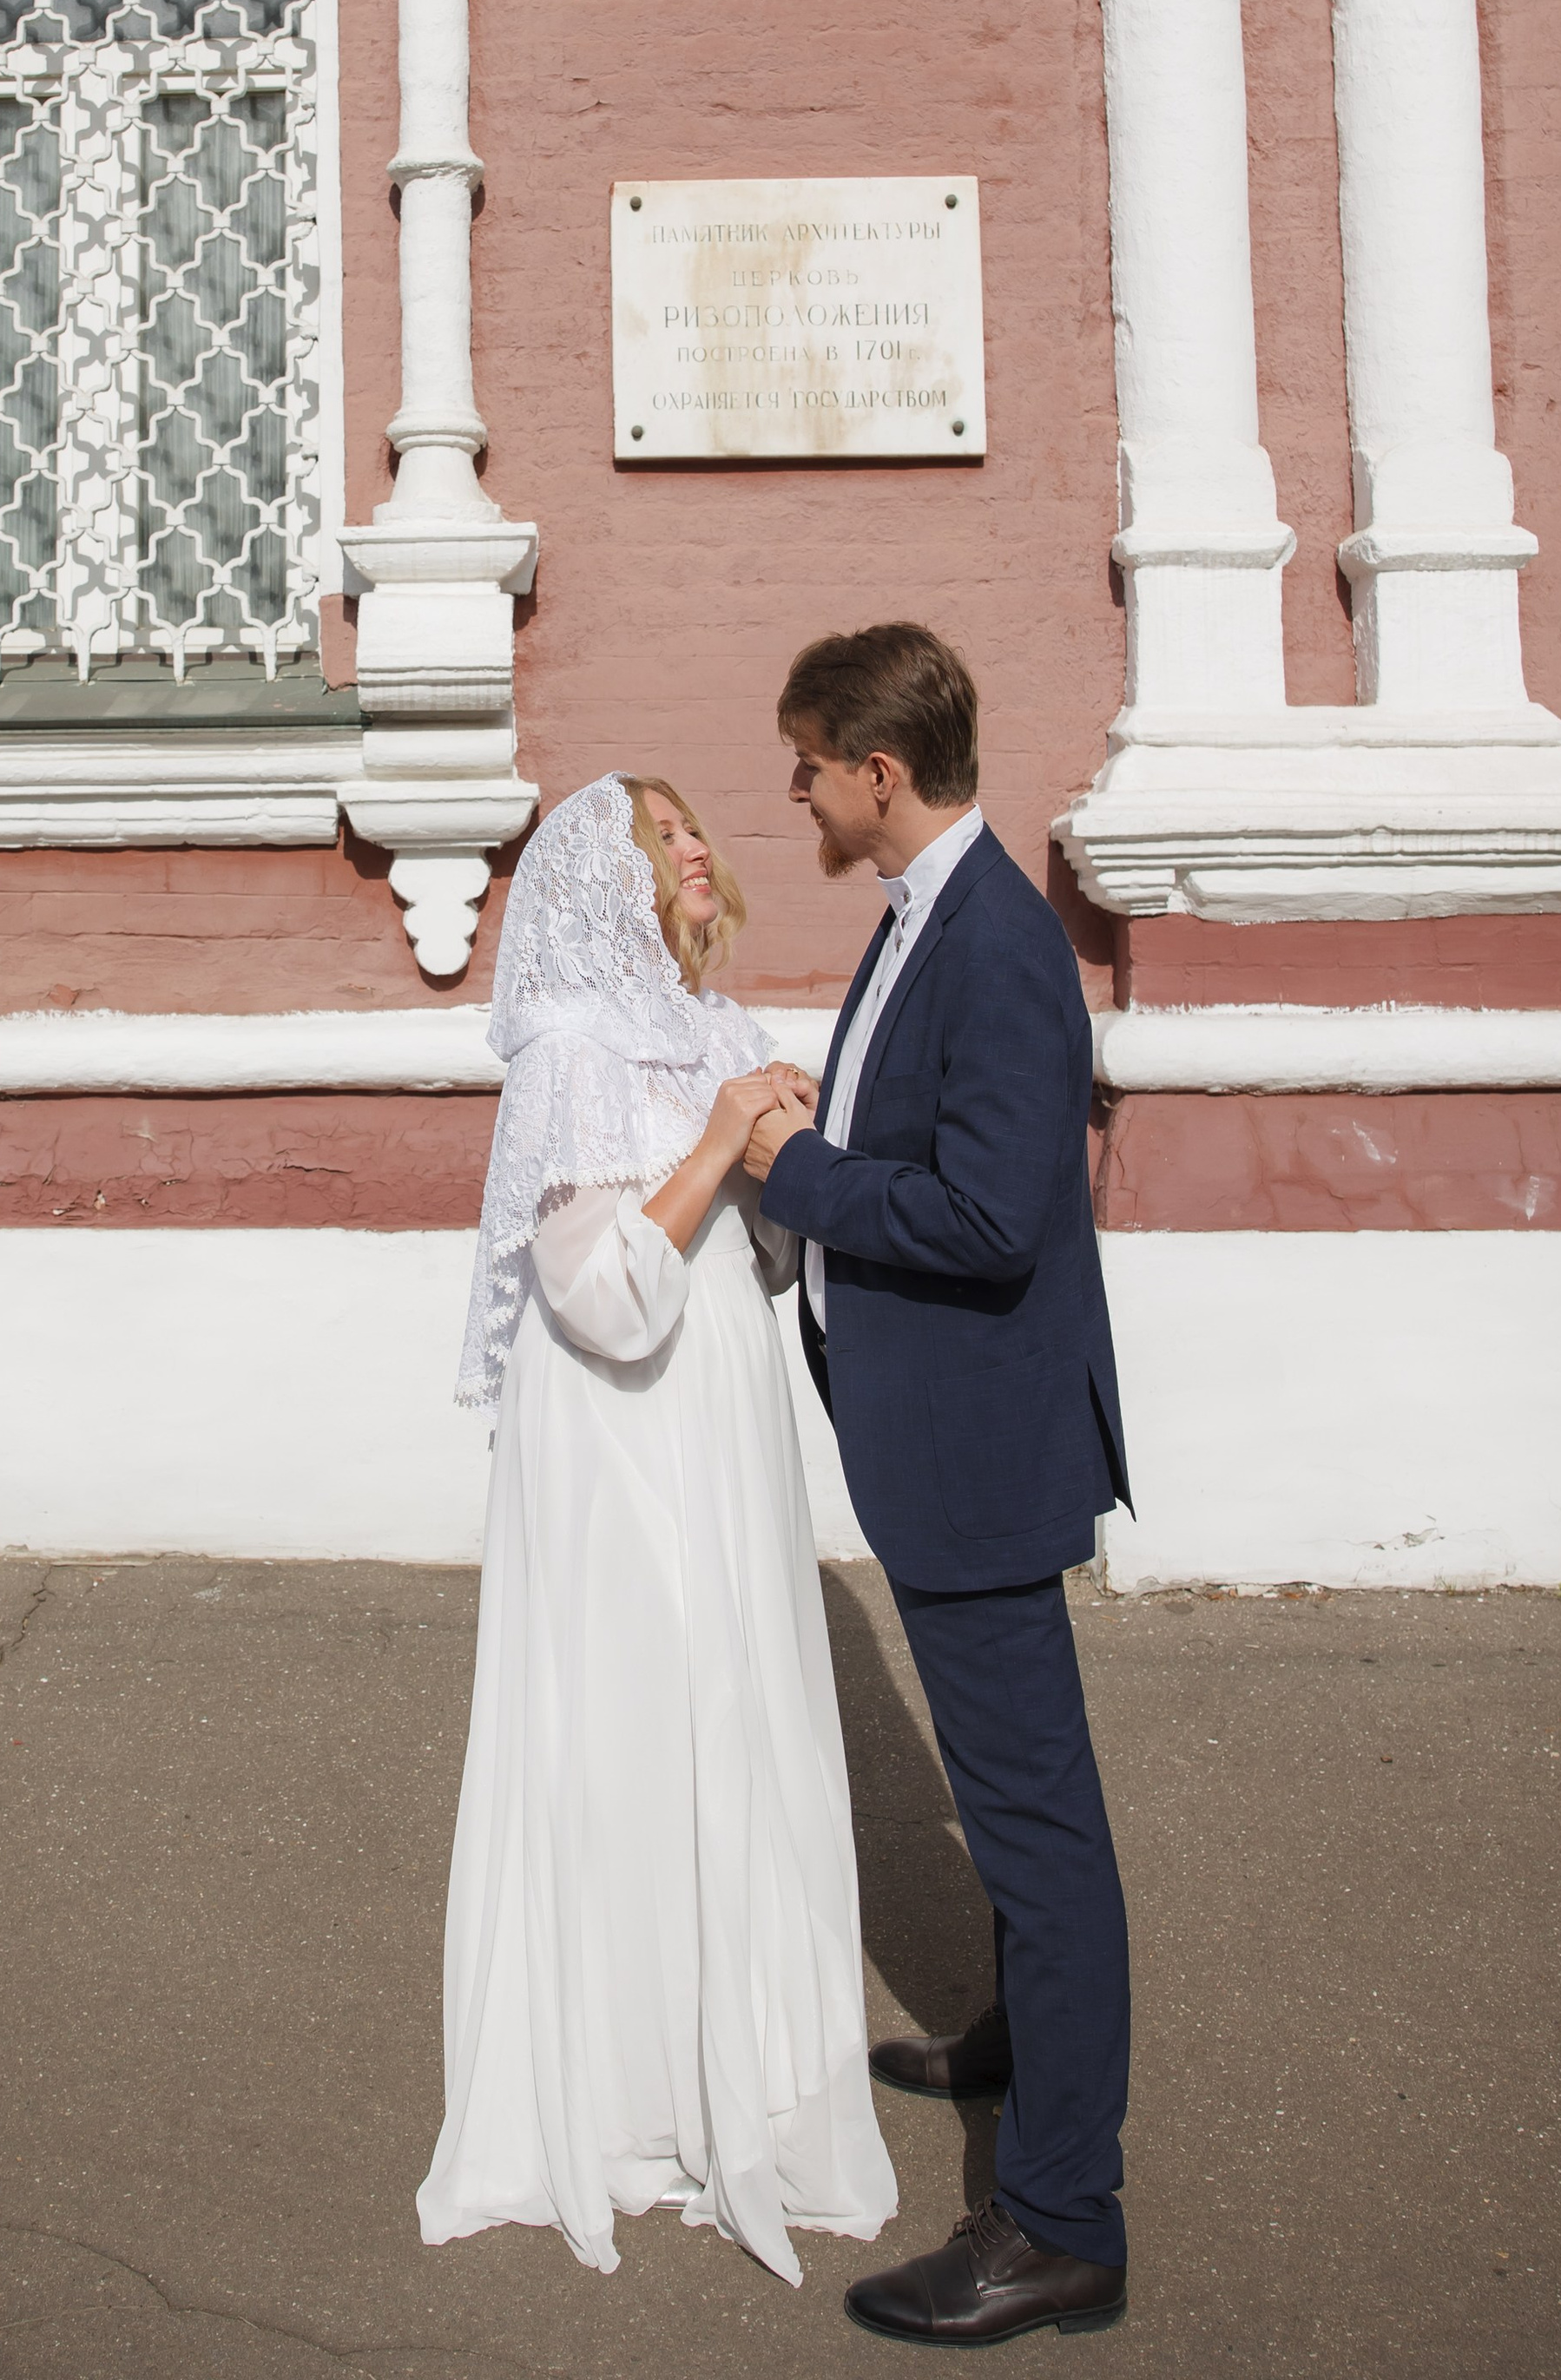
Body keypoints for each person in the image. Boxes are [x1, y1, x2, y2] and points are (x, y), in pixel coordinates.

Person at [418, 770, 898, 2285]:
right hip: (622, 1443)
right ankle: (627, 2089)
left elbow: (755, 1250)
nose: (695, 848)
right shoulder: (566, 1052)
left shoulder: (719, 1028)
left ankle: (740, 2073)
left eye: (698, 827)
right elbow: (609, 1297)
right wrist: (718, 1143)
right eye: (658, 838)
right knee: (636, 1732)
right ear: (594, 891)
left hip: (723, 1422)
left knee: (738, 1724)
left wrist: (787, 1143)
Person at [743, 622, 1135, 2350]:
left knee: (1037, 1829)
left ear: (874, 772)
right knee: (1005, 1789)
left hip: (976, 1453)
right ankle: (1013, 2039)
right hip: (934, 1436)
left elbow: (986, 1216)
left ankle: (1056, 2215)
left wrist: (796, 1170)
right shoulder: (928, 915)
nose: (795, 791)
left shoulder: (988, 941)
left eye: (806, 764)